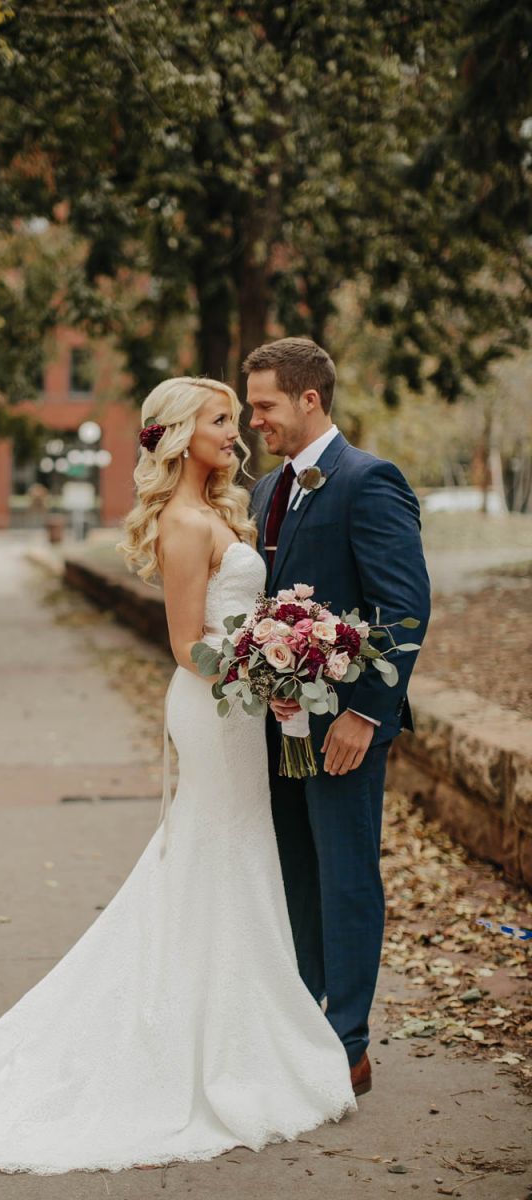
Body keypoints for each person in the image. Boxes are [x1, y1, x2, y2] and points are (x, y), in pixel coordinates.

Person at [0, 376, 356, 1175]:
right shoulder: (186, 524)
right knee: (214, 853)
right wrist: (266, 666)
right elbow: (185, 642)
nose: (237, 432)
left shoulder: (227, 508)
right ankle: (213, 1048)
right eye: (223, 420)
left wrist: (284, 650)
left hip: (241, 710)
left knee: (232, 856)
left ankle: (237, 1029)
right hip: (215, 707)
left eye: (236, 419)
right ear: (184, 433)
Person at [246, 338, 431, 1097]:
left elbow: (405, 606)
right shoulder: (265, 491)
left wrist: (362, 713)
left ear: (309, 400)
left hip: (345, 733)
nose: (257, 419)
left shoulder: (368, 480)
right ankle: (303, 1026)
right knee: (296, 876)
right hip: (280, 726)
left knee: (347, 877)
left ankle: (347, 1045)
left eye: (265, 405)